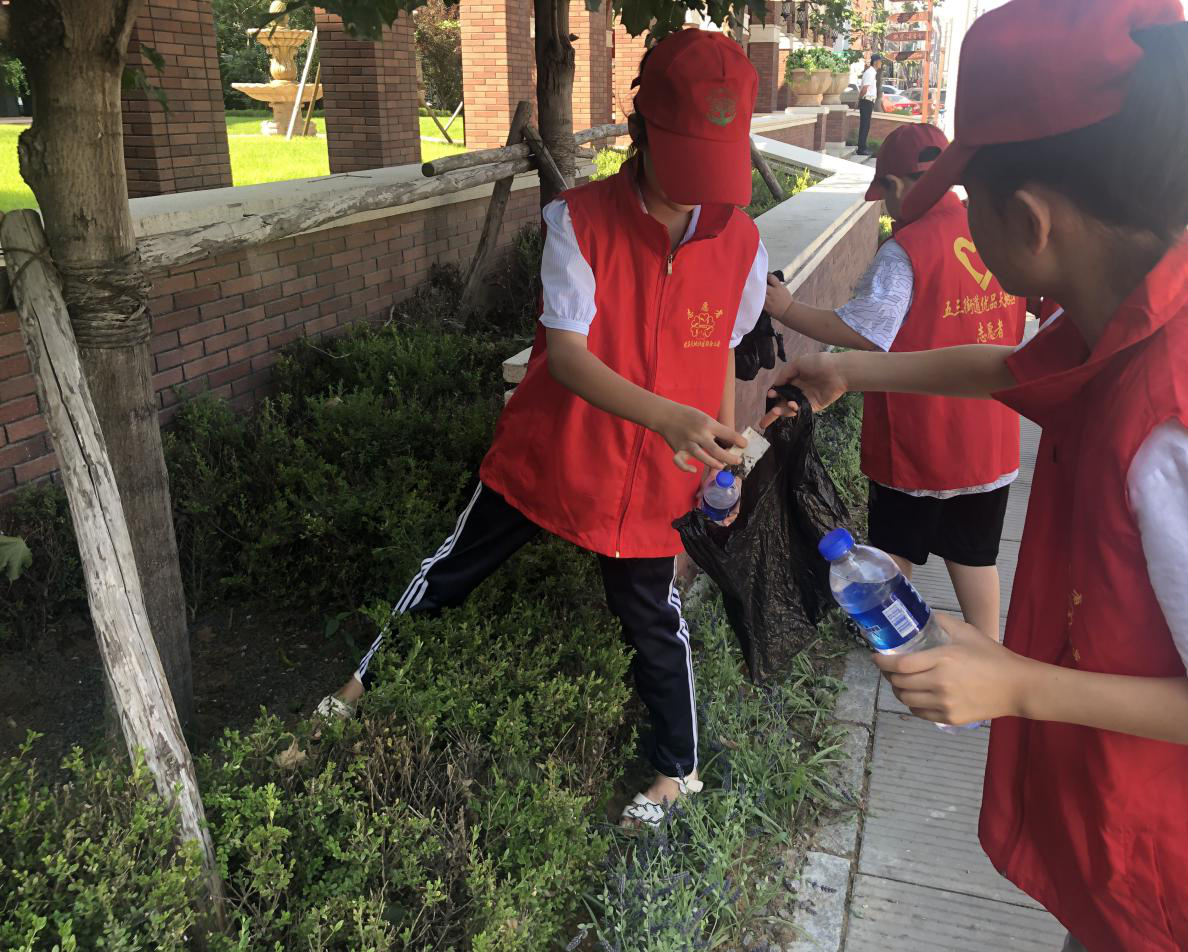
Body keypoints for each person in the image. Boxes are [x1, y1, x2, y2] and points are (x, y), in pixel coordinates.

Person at [763, 1, 1188, 949]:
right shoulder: (1148, 313)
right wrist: (853, 371)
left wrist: (1017, 685)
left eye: (970, 192)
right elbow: (1007, 367)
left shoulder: (1178, 425)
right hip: (1140, 851)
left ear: (1029, 220)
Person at [317, 29, 772, 828]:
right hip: (552, 453)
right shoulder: (578, 222)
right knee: (451, 569)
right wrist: (669, 417)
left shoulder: (741, 240)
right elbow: (566, 356)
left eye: (714, 169)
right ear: (638, 131)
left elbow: (726, 359)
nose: (697, 194)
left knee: (652, 619)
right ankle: (359, 683)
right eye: (683, 165)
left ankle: (677, 769)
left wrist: (722, 462)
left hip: (655, 480)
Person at [765, 122, 1024, 640]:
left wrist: (788, 309)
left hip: (919, 442)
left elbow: (866, 329)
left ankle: (893, 639)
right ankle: (990, 649)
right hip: (990, 438)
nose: (884, 208)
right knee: (974, 554)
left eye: (883, 193)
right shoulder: (990, 227)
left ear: (898, 185)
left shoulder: (907, 249)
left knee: (894, 550)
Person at [857, 54, 882, 156]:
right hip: (866, 101)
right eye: (880, 61)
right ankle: (861, 149)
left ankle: (863, 147)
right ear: (875, 62)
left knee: (866, 125)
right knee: (864, 125)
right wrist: (859, 99)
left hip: (869, 101)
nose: (881, 63)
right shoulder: (870, 73)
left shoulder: (872, 72)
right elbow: (864, 89)